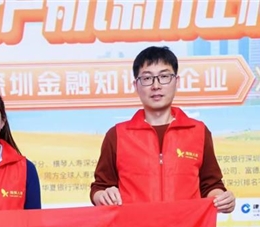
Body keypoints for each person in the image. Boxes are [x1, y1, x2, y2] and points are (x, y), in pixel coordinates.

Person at [90, 46, 236, 213]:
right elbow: (100, 187)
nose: (156, 85)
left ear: (176, 81)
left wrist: (222, 199)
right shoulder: (117, 135)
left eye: (164, 76)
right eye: (147, 78)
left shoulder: (198, 131)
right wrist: (103, 196)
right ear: (136, 85)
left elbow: (210, 185)